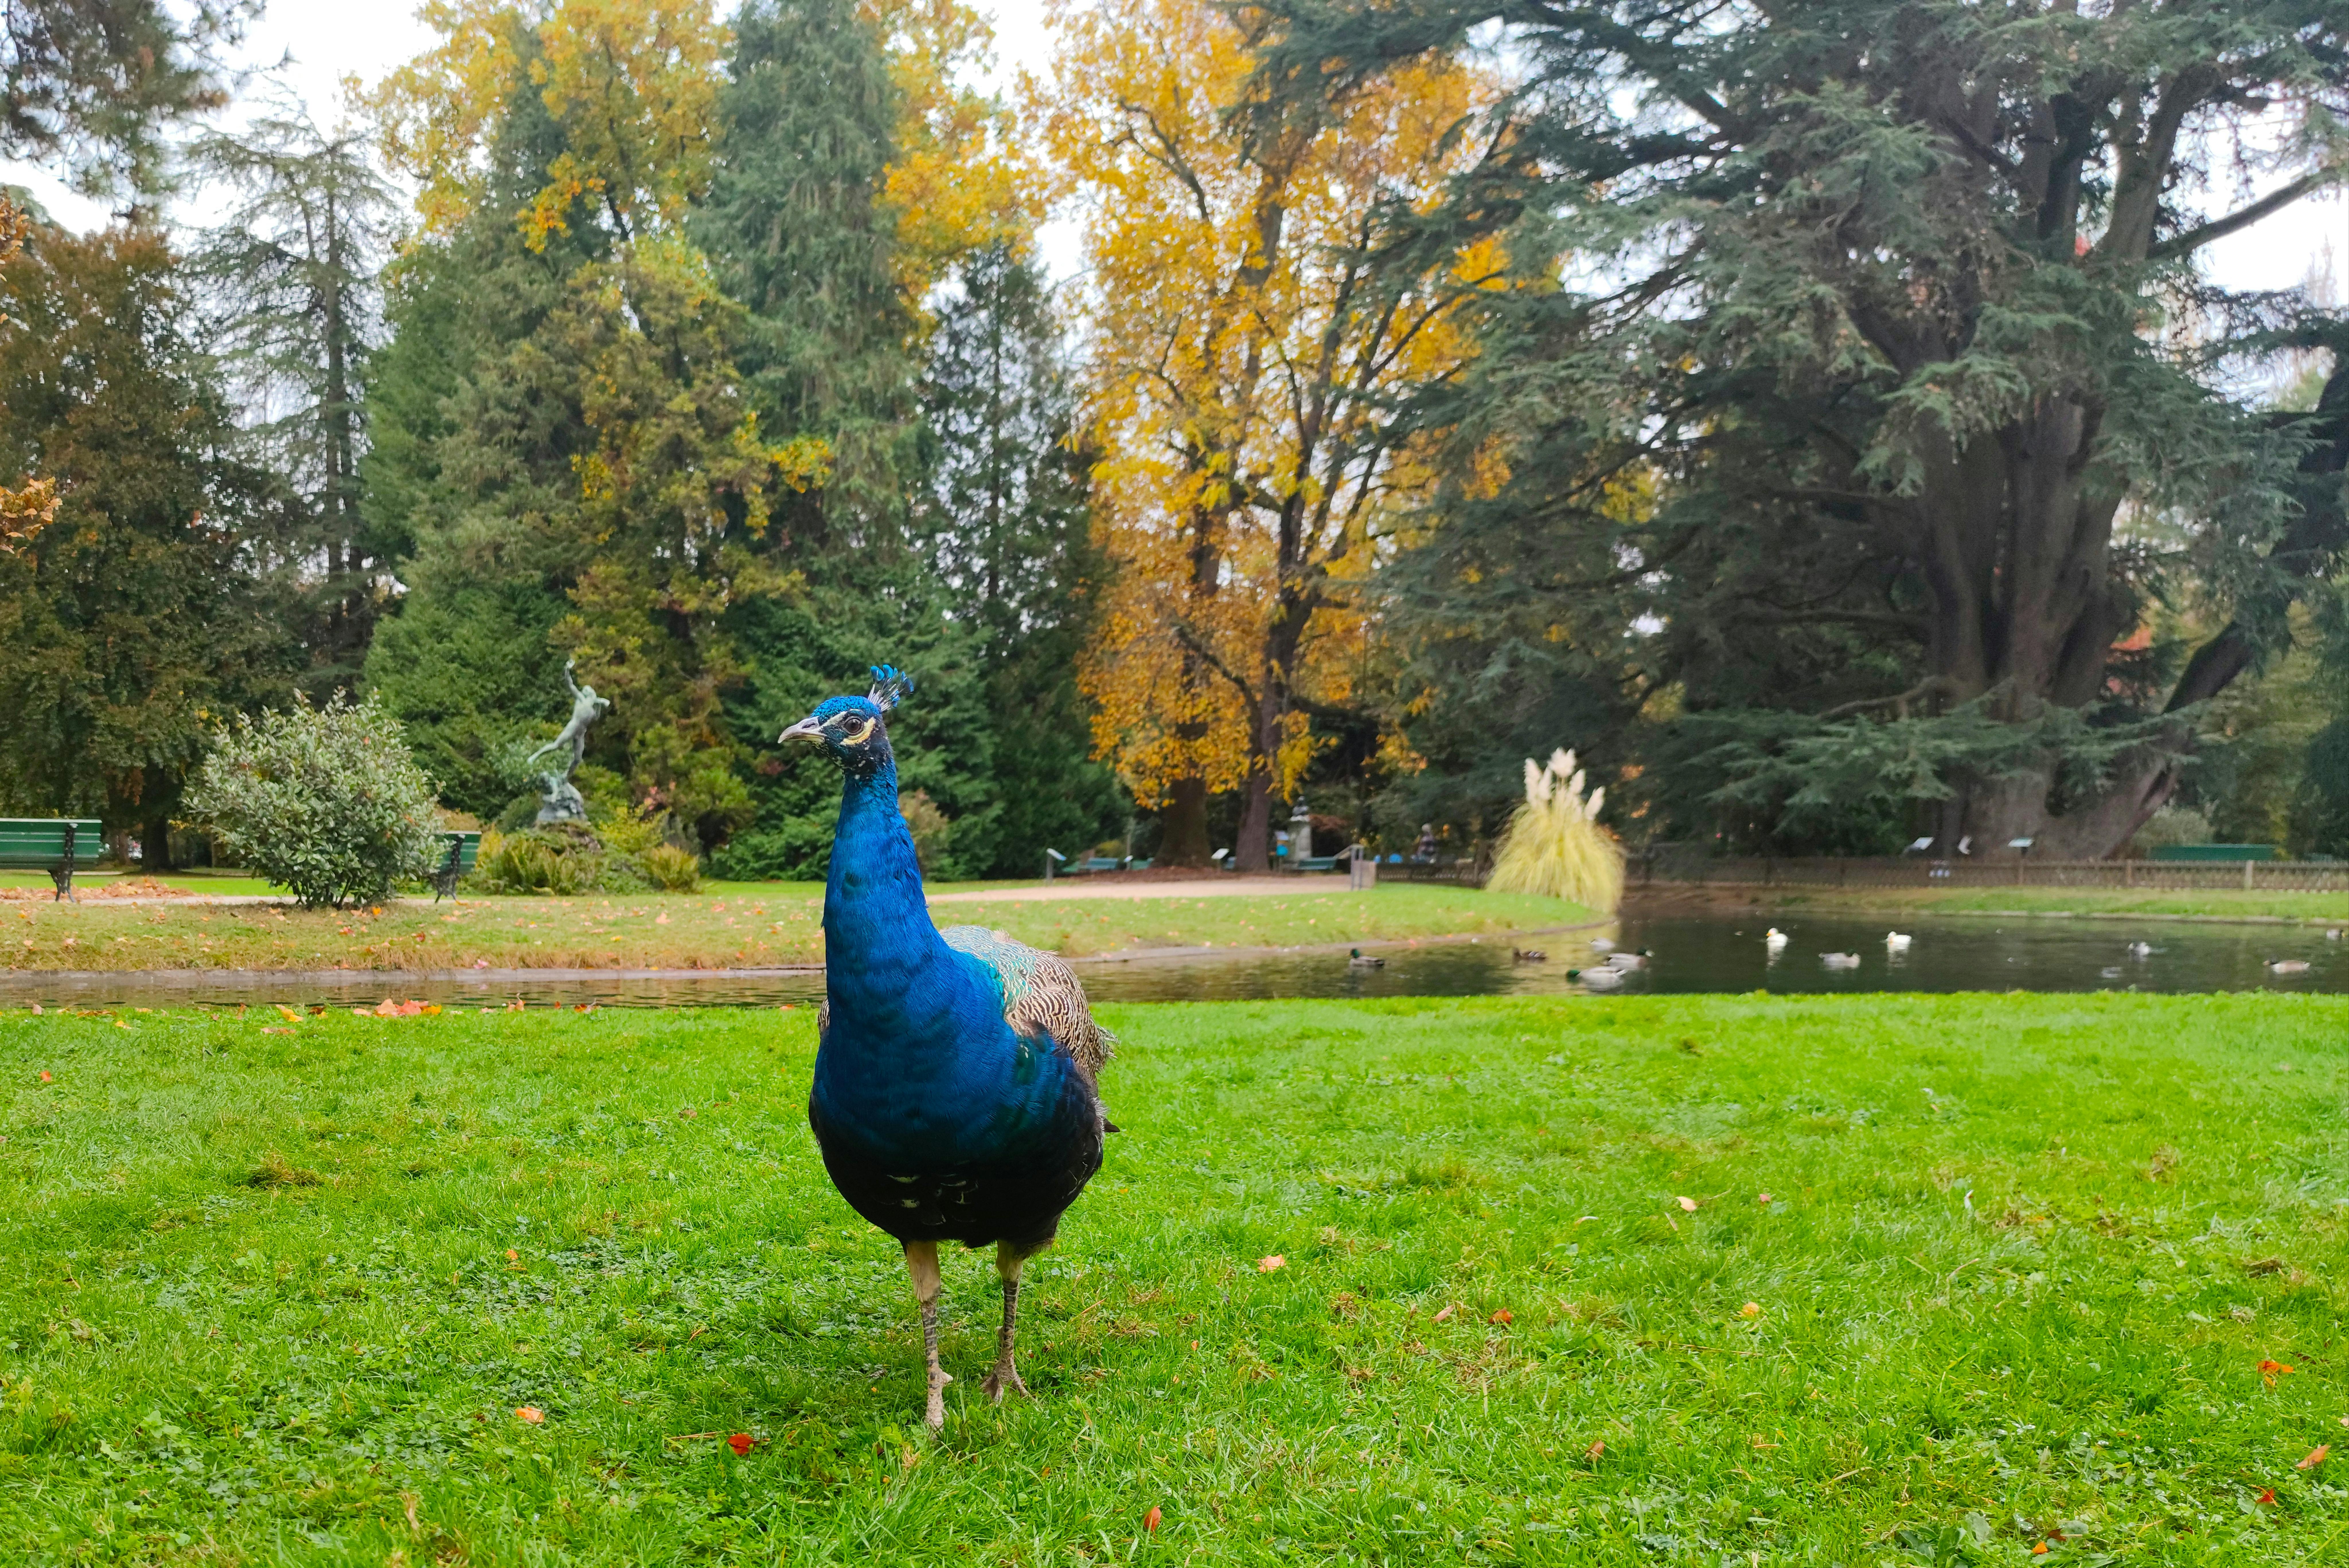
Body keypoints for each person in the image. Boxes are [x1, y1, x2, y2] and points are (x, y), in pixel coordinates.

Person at [528, 659, 612, 775]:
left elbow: (596, 718)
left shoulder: (594, 707)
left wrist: (599, 705)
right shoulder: (580, 698)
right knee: (557, 746)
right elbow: (570, 684)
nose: (590, 690)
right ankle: (535, 757)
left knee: (578, 759)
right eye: (587, 690)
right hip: (574, 726)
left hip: (581, 732)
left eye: (590, 689)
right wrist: (567, 669)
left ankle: (566, 778)